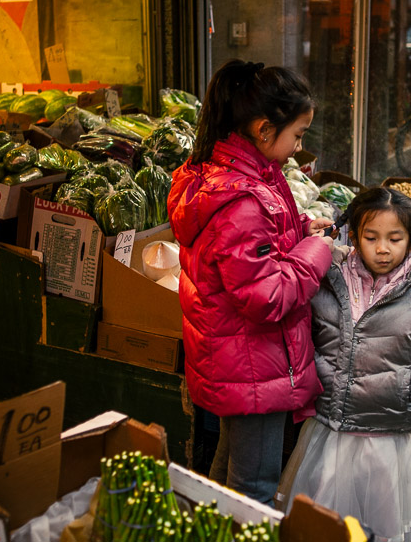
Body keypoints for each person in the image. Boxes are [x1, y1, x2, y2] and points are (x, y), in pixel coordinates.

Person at [277, 187, 411, 541]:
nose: (383, 248)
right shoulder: (330, 277)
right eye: (371, 237)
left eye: (394, 238)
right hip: (328, 435)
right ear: (355, 236)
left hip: (388, 446)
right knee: (321, 529)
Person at [167, 59, 333, 504]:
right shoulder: (241, 198)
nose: (300, 147)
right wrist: (319, 252)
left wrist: (301, 232)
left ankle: (210, 532)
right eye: (297, 135)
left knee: (227, 468)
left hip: (234, 359)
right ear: (263, 130)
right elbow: (268, 297)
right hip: (253, 364)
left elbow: (260, 246)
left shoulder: (230, 177)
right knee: (253, 486)